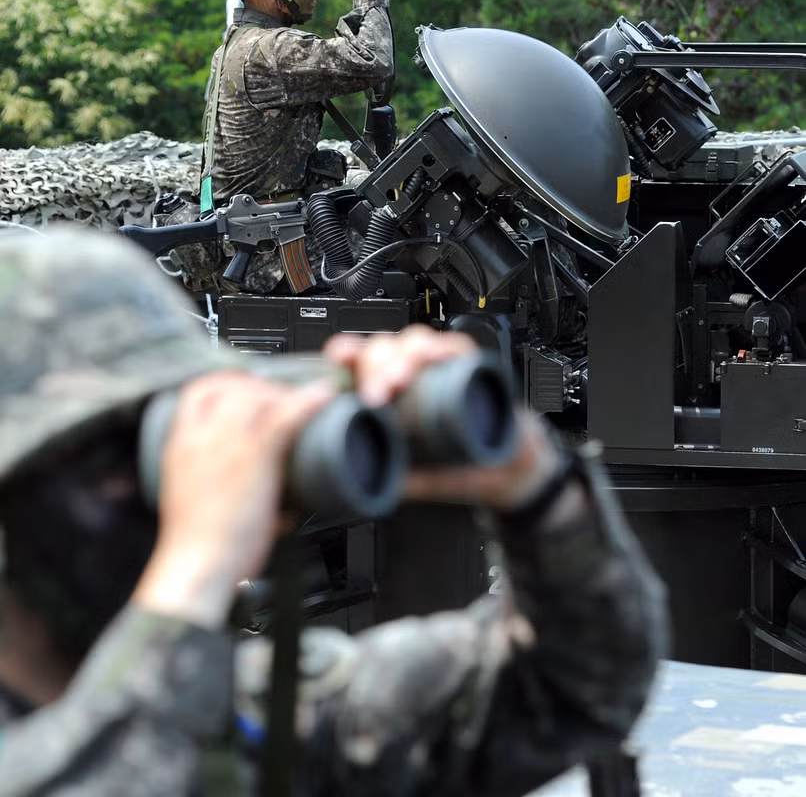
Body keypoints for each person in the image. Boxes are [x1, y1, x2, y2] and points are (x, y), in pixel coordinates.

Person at [0, 227, 667, 796]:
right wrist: (199, 561)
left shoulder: (241, 716)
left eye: (161, 440)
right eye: (103, 459)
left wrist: (536, 491)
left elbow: (571, 691)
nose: (164, 486)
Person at [170, 0, 395, 295]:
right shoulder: (269, 51)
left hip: (258, 241)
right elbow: (373, 62)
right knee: (403, 262)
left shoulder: (242, 43)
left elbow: (350, 60)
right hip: (270, 256)